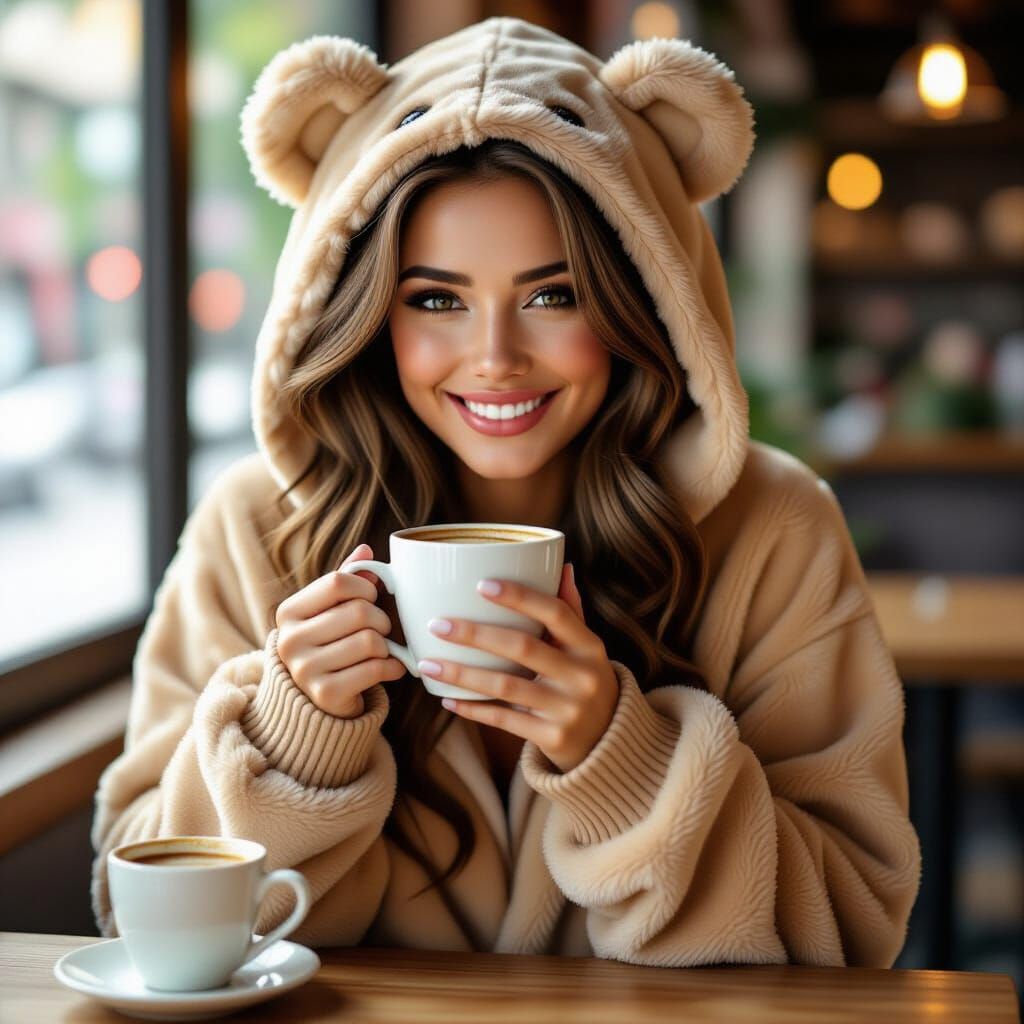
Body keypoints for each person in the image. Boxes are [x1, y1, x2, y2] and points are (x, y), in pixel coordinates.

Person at [90, 16, 921, 967]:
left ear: (640, 299)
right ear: (364, 313)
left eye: (553, 294)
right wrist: (292, 740)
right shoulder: (253, 528)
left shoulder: (772, 527)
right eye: (436, 299)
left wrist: (622, 757)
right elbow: (130, 906)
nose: (494, 361)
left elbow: (853, 930)